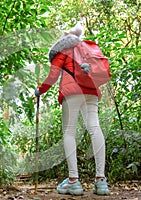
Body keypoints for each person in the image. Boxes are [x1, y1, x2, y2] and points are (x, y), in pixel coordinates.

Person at [34, 24, 110, 195]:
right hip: (91, 92)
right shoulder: (88, 49)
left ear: (64, 38)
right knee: (95, 128)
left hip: (72, 93)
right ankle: (101, 181)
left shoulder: (63, 51)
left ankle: (74, 181)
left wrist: (40, 90)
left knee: (69, 132)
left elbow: (53, 76)